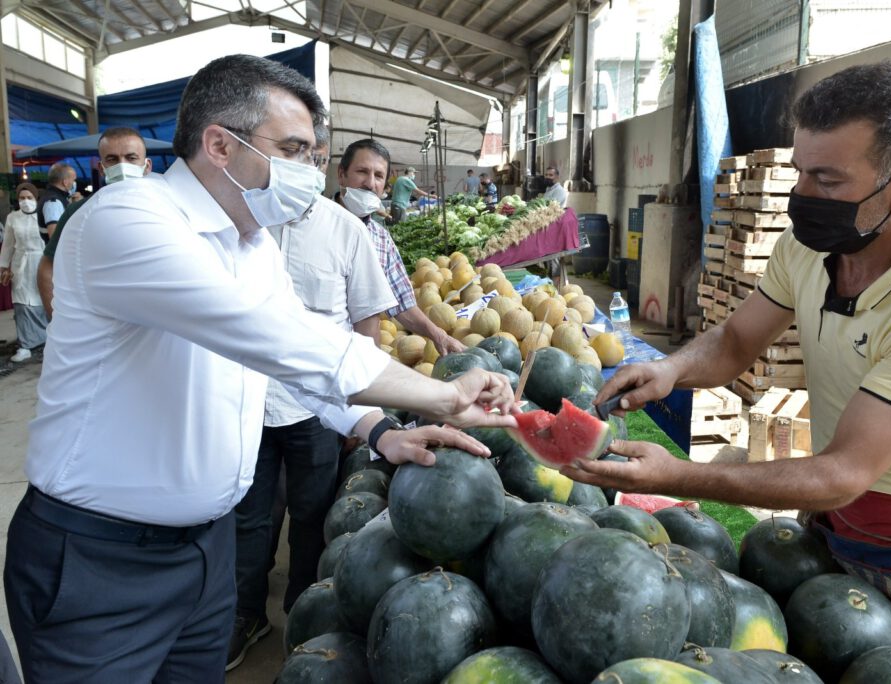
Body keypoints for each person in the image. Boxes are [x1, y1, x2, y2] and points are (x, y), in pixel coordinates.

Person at [3, 54, 515, 684]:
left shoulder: (253, 247)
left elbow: (295, 364)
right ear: (220, 144)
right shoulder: (127, 221)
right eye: (294, 150)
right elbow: (278, 338)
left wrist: (381, 428)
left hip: (205, 554)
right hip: (99, 563)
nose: (308, 171)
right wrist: (440, 395)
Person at [576, 62, 891, 684]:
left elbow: (842, 472)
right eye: (801, 170)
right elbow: (734, 340)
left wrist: (684, 476)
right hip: (836, 515)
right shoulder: (810, 247)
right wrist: (670, 369)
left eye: (827, 179)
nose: (801, 195)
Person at [228, 124, 399, 670]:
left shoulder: (347, 231)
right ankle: (246, 615)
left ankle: (303, 612)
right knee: (250, 519)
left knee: (310, 516)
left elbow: (367, 322)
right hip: (249, 405)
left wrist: (362, 411)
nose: (304, 164)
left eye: (311, 154)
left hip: (317, 408)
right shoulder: (248, 221)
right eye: (293, 152)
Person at [338, 139, 465, 354]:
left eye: (378, 176)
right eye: (362, 171)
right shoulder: (315, 224)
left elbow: (402, 303)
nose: (370, 183)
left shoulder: (381, 238)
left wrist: (438, 335)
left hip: (364, 365)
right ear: (341, 174)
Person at [37, 127, 153, 318]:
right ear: (101, 167)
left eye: (131, 158)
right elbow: (47, 267)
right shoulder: (79, 211)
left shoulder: (166, 209)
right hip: (100, 322)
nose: (122, 166)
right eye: (112, 159)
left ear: (147, 166)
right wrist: (58, 321)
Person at [0, 183, 48, 362]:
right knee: (22, 304)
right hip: (20, 264)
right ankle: (25, 345)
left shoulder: (43, 216)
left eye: (29, 198)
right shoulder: (12, 217)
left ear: (36, 199)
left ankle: (48, 339)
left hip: (42, 262)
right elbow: (7, 244)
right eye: (22, 198)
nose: (25, 201)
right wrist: (3, 266)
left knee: (44, 301)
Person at [36, 162, 77, 240]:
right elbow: (54, 236)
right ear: (65, 182)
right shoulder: (53, 202)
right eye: (73, 180)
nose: (74, 183)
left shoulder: (57, 198)